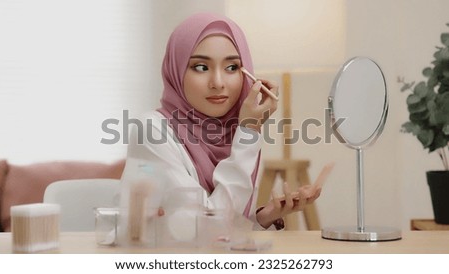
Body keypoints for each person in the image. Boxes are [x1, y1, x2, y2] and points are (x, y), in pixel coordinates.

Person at [121, 12, 321, 230]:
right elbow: (208, 227)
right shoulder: (151, 132)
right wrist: (249, 135)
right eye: (201, 67)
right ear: (176, 72)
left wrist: (263, 218)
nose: (218, 83)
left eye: (232, 67)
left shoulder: (233, 130)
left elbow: (220, 230)